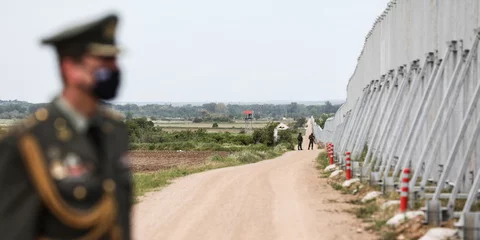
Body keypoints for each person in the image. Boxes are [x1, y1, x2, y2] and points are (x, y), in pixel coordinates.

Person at [0, 13, 133, 240]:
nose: (113, 68)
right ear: (70, 68)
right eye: (103, 61)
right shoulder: (27, 142)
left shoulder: (115, 132)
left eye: (114, 60)